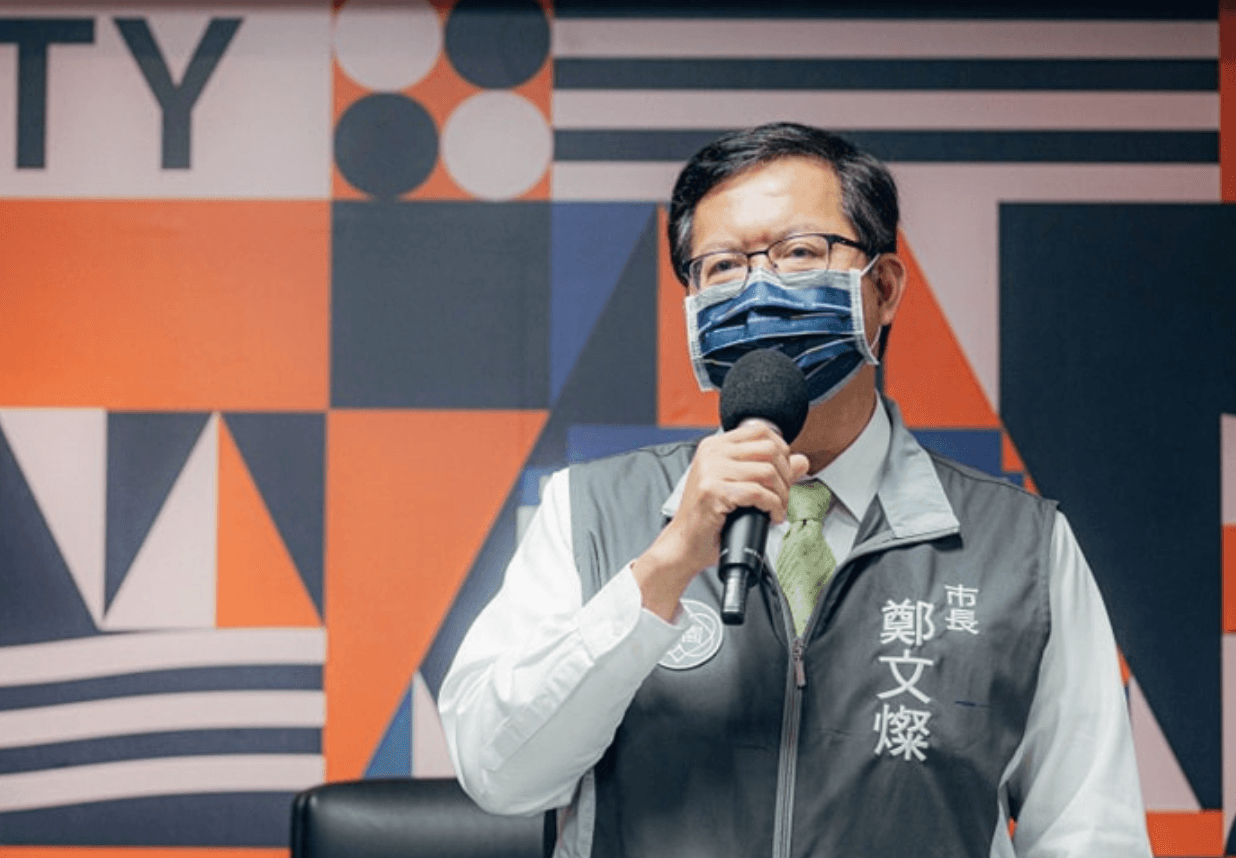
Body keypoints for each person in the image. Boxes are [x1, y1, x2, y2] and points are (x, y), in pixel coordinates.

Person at [438, 122, 1151, 858]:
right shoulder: (588, 513)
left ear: (883, 288)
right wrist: (663, 569)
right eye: (721, 266)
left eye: (799, 253)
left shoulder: (1022, 548)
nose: (758, 290)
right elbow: (499, 774)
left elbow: (1092, 833)